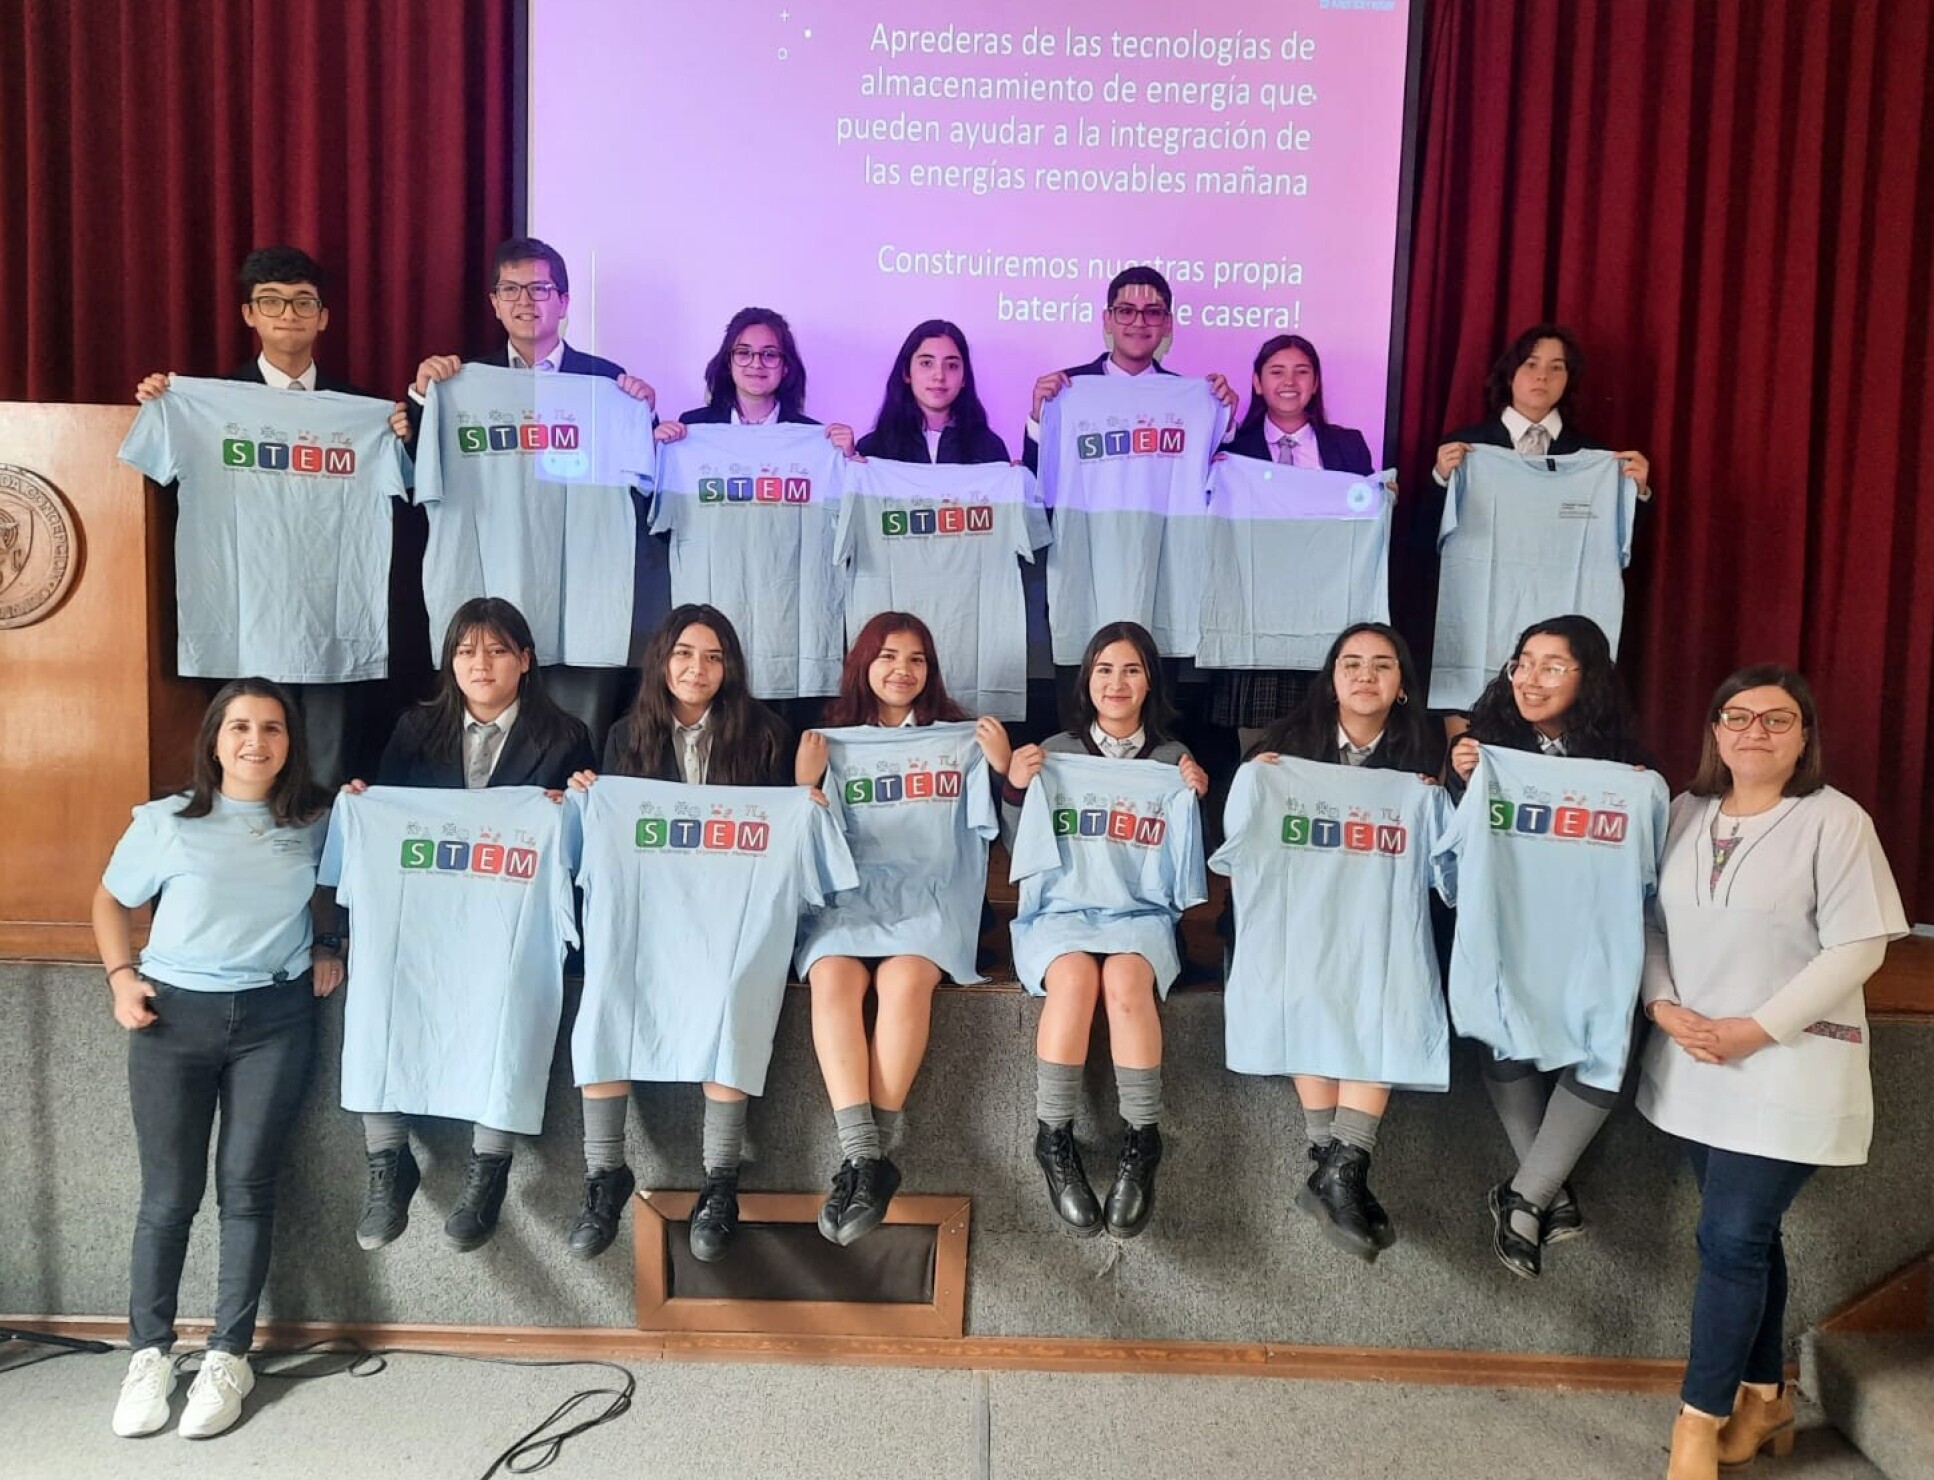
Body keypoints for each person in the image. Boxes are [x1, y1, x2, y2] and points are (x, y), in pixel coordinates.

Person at [1637, 667, 1907, 1479]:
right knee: (1744, 1239)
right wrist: (1660, 1003)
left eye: (1776, 720)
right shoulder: (1683, 813)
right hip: (1694, 1062)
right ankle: (1766, 1397)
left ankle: (1698, 1422)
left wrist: (1757, 1029)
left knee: (1729, 1237)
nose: (1754, 731)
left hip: (1790, 1061)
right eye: (1738, 716)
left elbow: (1860, 946)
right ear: (1715, 731)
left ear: (1803, 737)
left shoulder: (1835, 821)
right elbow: (1647, 922)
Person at [91, 680, 340, 1440]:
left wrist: (327, 943)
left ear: (290, 742)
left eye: (271, 728)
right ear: (214, 738)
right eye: (239, 727)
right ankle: (150, 1353)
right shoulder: (169, 820)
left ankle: (230, 1354)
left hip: (275, 1019)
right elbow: (108, 901)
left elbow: (337, 891)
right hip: (174, 1018)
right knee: (168, 1196)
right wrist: (120, 978)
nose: (255, 742)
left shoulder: (316, 820)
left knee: (247, 1189)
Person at [343, 597, 594, 1253]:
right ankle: (387, 1161)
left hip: (510, 923)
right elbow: (388, 824)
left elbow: (583, 849)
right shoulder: (413, 728)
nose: (480, 664)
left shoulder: (565, 734)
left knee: (516, 1000)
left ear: (525, 660)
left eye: (496, 650)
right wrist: (365, 807)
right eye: (465, 651)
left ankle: (490, 1169)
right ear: (449, 661)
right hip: (424, 917)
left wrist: (574, 809)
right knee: (377, 989)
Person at [563, 604, 795, 1261]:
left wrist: (803, 801)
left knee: (734, 1002)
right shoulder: (622, 737)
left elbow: (777, 838)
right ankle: (604, 1174)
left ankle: (720, 1181)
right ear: (662, 661)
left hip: (728, 925)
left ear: (732, 667)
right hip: (649, 918)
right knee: (605, 999)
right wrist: (589, 794)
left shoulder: (768, 735)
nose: (699, 668)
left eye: (714, 656)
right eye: (685, 654)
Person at [131, 245, 412, 788]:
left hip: (332, 625)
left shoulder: (364, 412)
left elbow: (407, 485)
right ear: (249, 314)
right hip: (244, 618)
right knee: (246, 766)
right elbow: (149, 466)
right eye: (272, 301)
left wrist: (400, 436)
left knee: (328, 771)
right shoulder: (206, 403)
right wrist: (162, 407)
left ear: (324, 316)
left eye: (303, 302)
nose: (288, 314)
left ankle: (322, 870)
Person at [794, 612, 1012, 1243]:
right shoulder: (829, 740)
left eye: (916, 659)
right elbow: (802, 839)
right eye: (888, 656)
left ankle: (865, 1157)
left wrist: (998, 770)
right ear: (864, 663)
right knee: (832, 976)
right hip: (850, 897)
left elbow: (1003, 832)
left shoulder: (964, 737)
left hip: (931, 900)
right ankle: (868, 1158)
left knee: (905, 980)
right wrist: (802, 782)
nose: (902, 670)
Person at [1448, 614, 1653, 1277]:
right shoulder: (1485, 751)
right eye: (1522, 663)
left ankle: (1525, 1195)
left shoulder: (1627, 768)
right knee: (1498, 1027)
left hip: (1588, 938)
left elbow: (1647, 874)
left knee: (1605, 1040)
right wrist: (1460, 779)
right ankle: (1540, 1196)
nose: (1530, 680)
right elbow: (1447, 862)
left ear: (1587, 678)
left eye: (1551, 666)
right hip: (1507, 932)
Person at [1002, 621, 1210, 1238]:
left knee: (1124, 979)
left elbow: (1186, 865)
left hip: (1138, 915)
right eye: (1104, 670)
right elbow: (1021, 848)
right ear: (1086, 680)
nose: (1117, 683)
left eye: (1131, 670)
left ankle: (1142, 1142)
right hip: (1060, 911)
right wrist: (1015, 787)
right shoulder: (1054, 752)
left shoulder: (1174, 762)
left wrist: (1197, 801)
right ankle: (1052, 1138)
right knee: (1072, 979)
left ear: (1151, 683)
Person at [1242, 623, 1443, 1257]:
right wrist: (1256, 783)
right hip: (1297, 926)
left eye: (1382, 665)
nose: (1365, 675)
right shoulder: (1280, 753)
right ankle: (1339, 1169)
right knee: (1307, 975)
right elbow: (1238, 843)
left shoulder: (1426, 757)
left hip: (1378, 928)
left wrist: (1443, 792)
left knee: (1377, 988)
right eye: (1351, 663)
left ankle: (1336, 1166)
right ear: (1331, 678)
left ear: (1402, 685)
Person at [407, 237, 657, 741]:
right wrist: (421, 399)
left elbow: (644, 492)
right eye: (512, 289)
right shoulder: (460, 382)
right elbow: (421, 477)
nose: (526, 301)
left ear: (564, 302)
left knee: (574, 746)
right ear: (494, 303)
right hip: (491, 590)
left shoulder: (608, 384)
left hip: (581, 595)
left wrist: (644, 415)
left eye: (541, 288)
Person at [1214, 335, 1380, 752]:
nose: (1290, 381)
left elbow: (1364, 522)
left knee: (1324, 741)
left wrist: (1382, 496)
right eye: (1277, 371)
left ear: (1316, 382)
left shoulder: (1348, 445)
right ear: (1256, 382)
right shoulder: (1231, 447)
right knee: (1258, 753)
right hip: (1255, 614)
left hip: (1325, 609)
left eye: (1301, 371)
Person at [1020, 265, 1239, 471]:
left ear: (1168, 324)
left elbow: (1212, 481)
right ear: (1107, 320)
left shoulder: (1188, 400)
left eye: (1152, 312)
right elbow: (1037, 479)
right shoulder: (1066, 389)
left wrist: (1224, 422)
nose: (1138, 322)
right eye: (1126, 311)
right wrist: (1040, 419)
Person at [1431, 324, 1651, 496]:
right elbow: (1428, 532)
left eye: (1556, 367)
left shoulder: (1595, 457)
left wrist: (1636, 492)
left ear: (1568, 379)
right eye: (1531, 364)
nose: (1542, 376)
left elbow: (1612, 537)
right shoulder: (1464, 447)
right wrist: (1441, 479)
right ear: (1510, 375)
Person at [653, 306, 855, 455]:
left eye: (769, 354)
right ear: (728, 362)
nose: (756, 363)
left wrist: (848, 461)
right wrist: (655, 449)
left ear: (786, 367)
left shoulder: (813, 436)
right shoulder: (693, 427)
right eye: (744, 352)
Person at [854, 319, 1010, 463]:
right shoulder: (872, 450)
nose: (939, 376)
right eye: (927, 363)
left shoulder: (990, 450)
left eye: (951, 366)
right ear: (906, 373)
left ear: (964, 378)